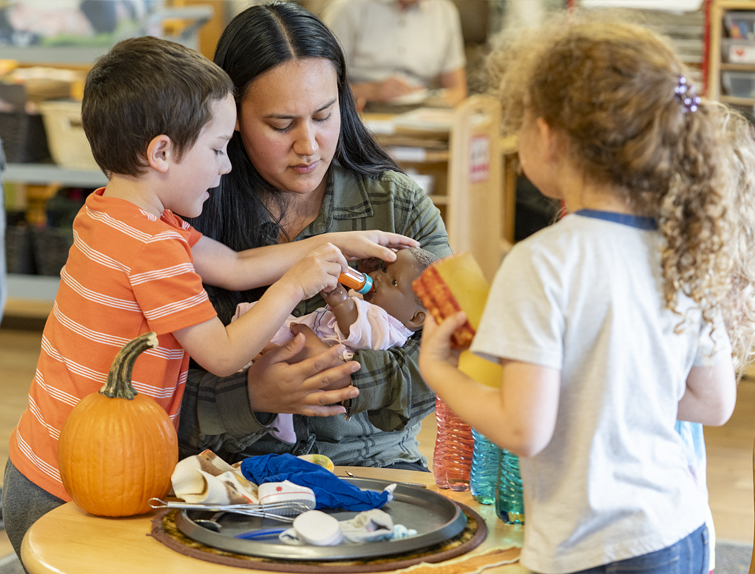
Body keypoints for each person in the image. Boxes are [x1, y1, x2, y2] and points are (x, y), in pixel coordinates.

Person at [1, 34, 417, 561]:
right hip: (70, 490)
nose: (226, 168)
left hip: (36, 466)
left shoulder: (114, 212)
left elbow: (237, 266)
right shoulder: (153, 248)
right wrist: (294, 287)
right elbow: (221, 355)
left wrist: (338, 244)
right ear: (161, 152)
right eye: (218, 149)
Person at [419, 15, 755, 574]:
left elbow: (524, 429)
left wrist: (440, 370)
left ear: (547, 136)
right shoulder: (686, 246)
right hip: (682, 530)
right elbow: (714, 402)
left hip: (590, 548)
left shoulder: (541, 262)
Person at [178, 2, 451, 471]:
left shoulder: (399, 204)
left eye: (324, 116)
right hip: (231, 478)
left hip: (376, 470)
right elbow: (142, 381)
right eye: (281, 125)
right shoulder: (192, 208)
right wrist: (251, 395)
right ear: (233, 117)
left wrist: (338, 374)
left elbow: (454, 357)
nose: (308, 146)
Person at [233, 247, 438, 443]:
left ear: (416, 317)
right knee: (267, 334)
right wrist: (365, 272)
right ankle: (280, 418)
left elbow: (357, 329)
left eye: (393, 281)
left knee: (261, 328)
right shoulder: (380, 306)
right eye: (383, 270)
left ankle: (236, 362)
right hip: (313, 336)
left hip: (316, 352)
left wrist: (339, 300)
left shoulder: (390, 331)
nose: (378, 277)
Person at [322, 0, 467, 108]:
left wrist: (433, 103)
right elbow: (319, 86)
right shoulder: (347, 7)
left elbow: (458, 90)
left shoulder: (445, 11)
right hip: (362, 110)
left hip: (421, 113)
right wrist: (371, 91)